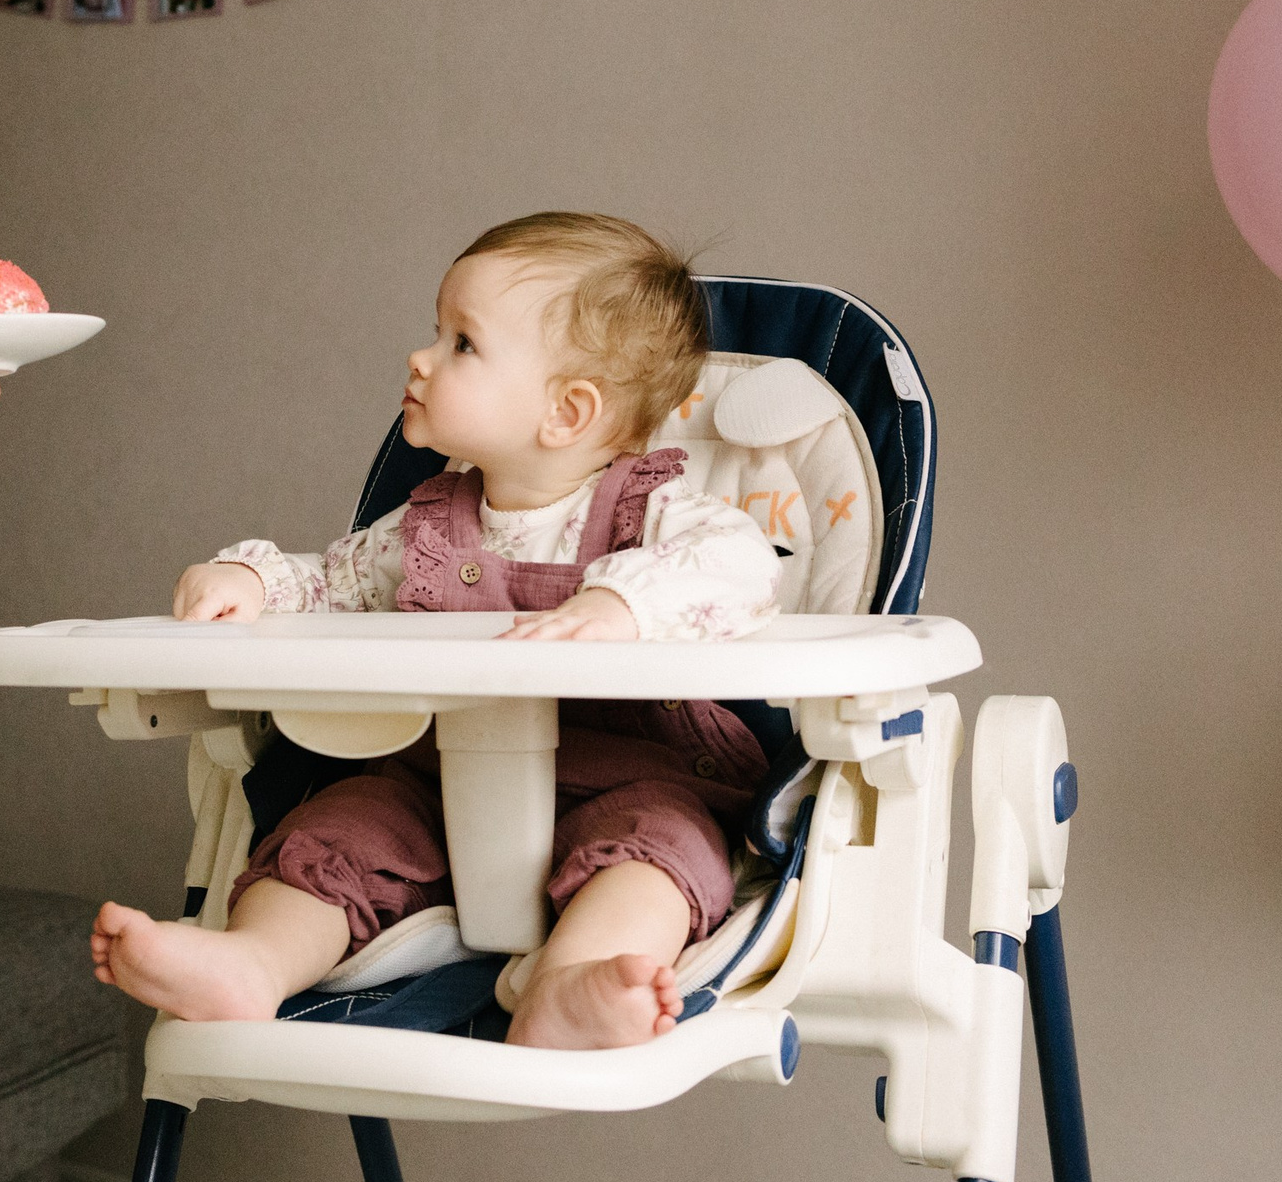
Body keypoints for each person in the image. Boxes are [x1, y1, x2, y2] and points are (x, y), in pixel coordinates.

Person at [91, 213, 779, 1050]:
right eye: (437, 332)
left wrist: (615, 609)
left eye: (462, 343)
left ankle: (567, 989)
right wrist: (253, 581)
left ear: (566, 411)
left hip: (633, 781)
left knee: (663, 858)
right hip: (437, 786)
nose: (421, 358)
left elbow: (741, 564)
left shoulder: (650, 516)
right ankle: (252, 962)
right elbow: (331, 583)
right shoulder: (427, 525)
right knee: (334, 831)